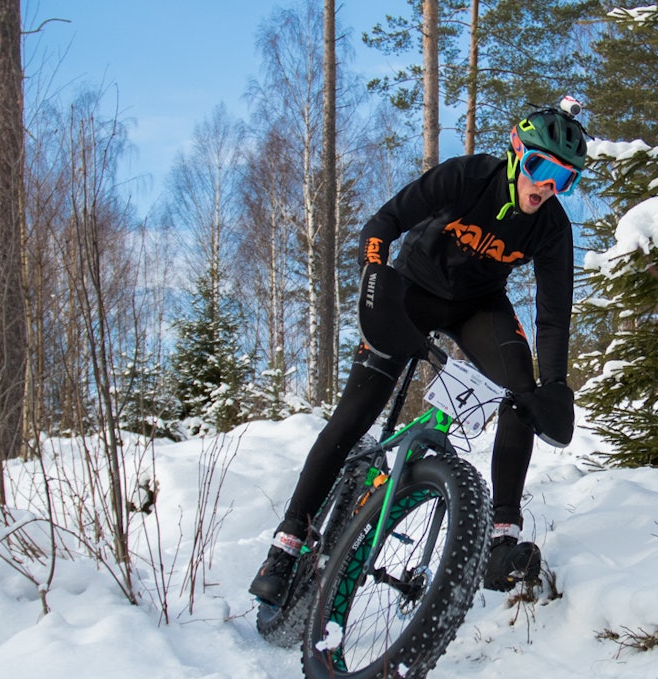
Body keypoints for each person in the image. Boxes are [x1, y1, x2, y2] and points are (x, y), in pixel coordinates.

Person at [249, 100, 587, 604]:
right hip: (411, 292)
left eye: (565, 179)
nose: (546, 187)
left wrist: (556, 388)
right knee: (355, 413)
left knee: (525, 396)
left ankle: (500, 540)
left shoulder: (553, 227)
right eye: (541, 169)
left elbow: (554, 315)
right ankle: (288, 541)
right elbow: (383, 223)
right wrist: (374, 280)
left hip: (477, 309)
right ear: (517, 153)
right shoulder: (468, 176)